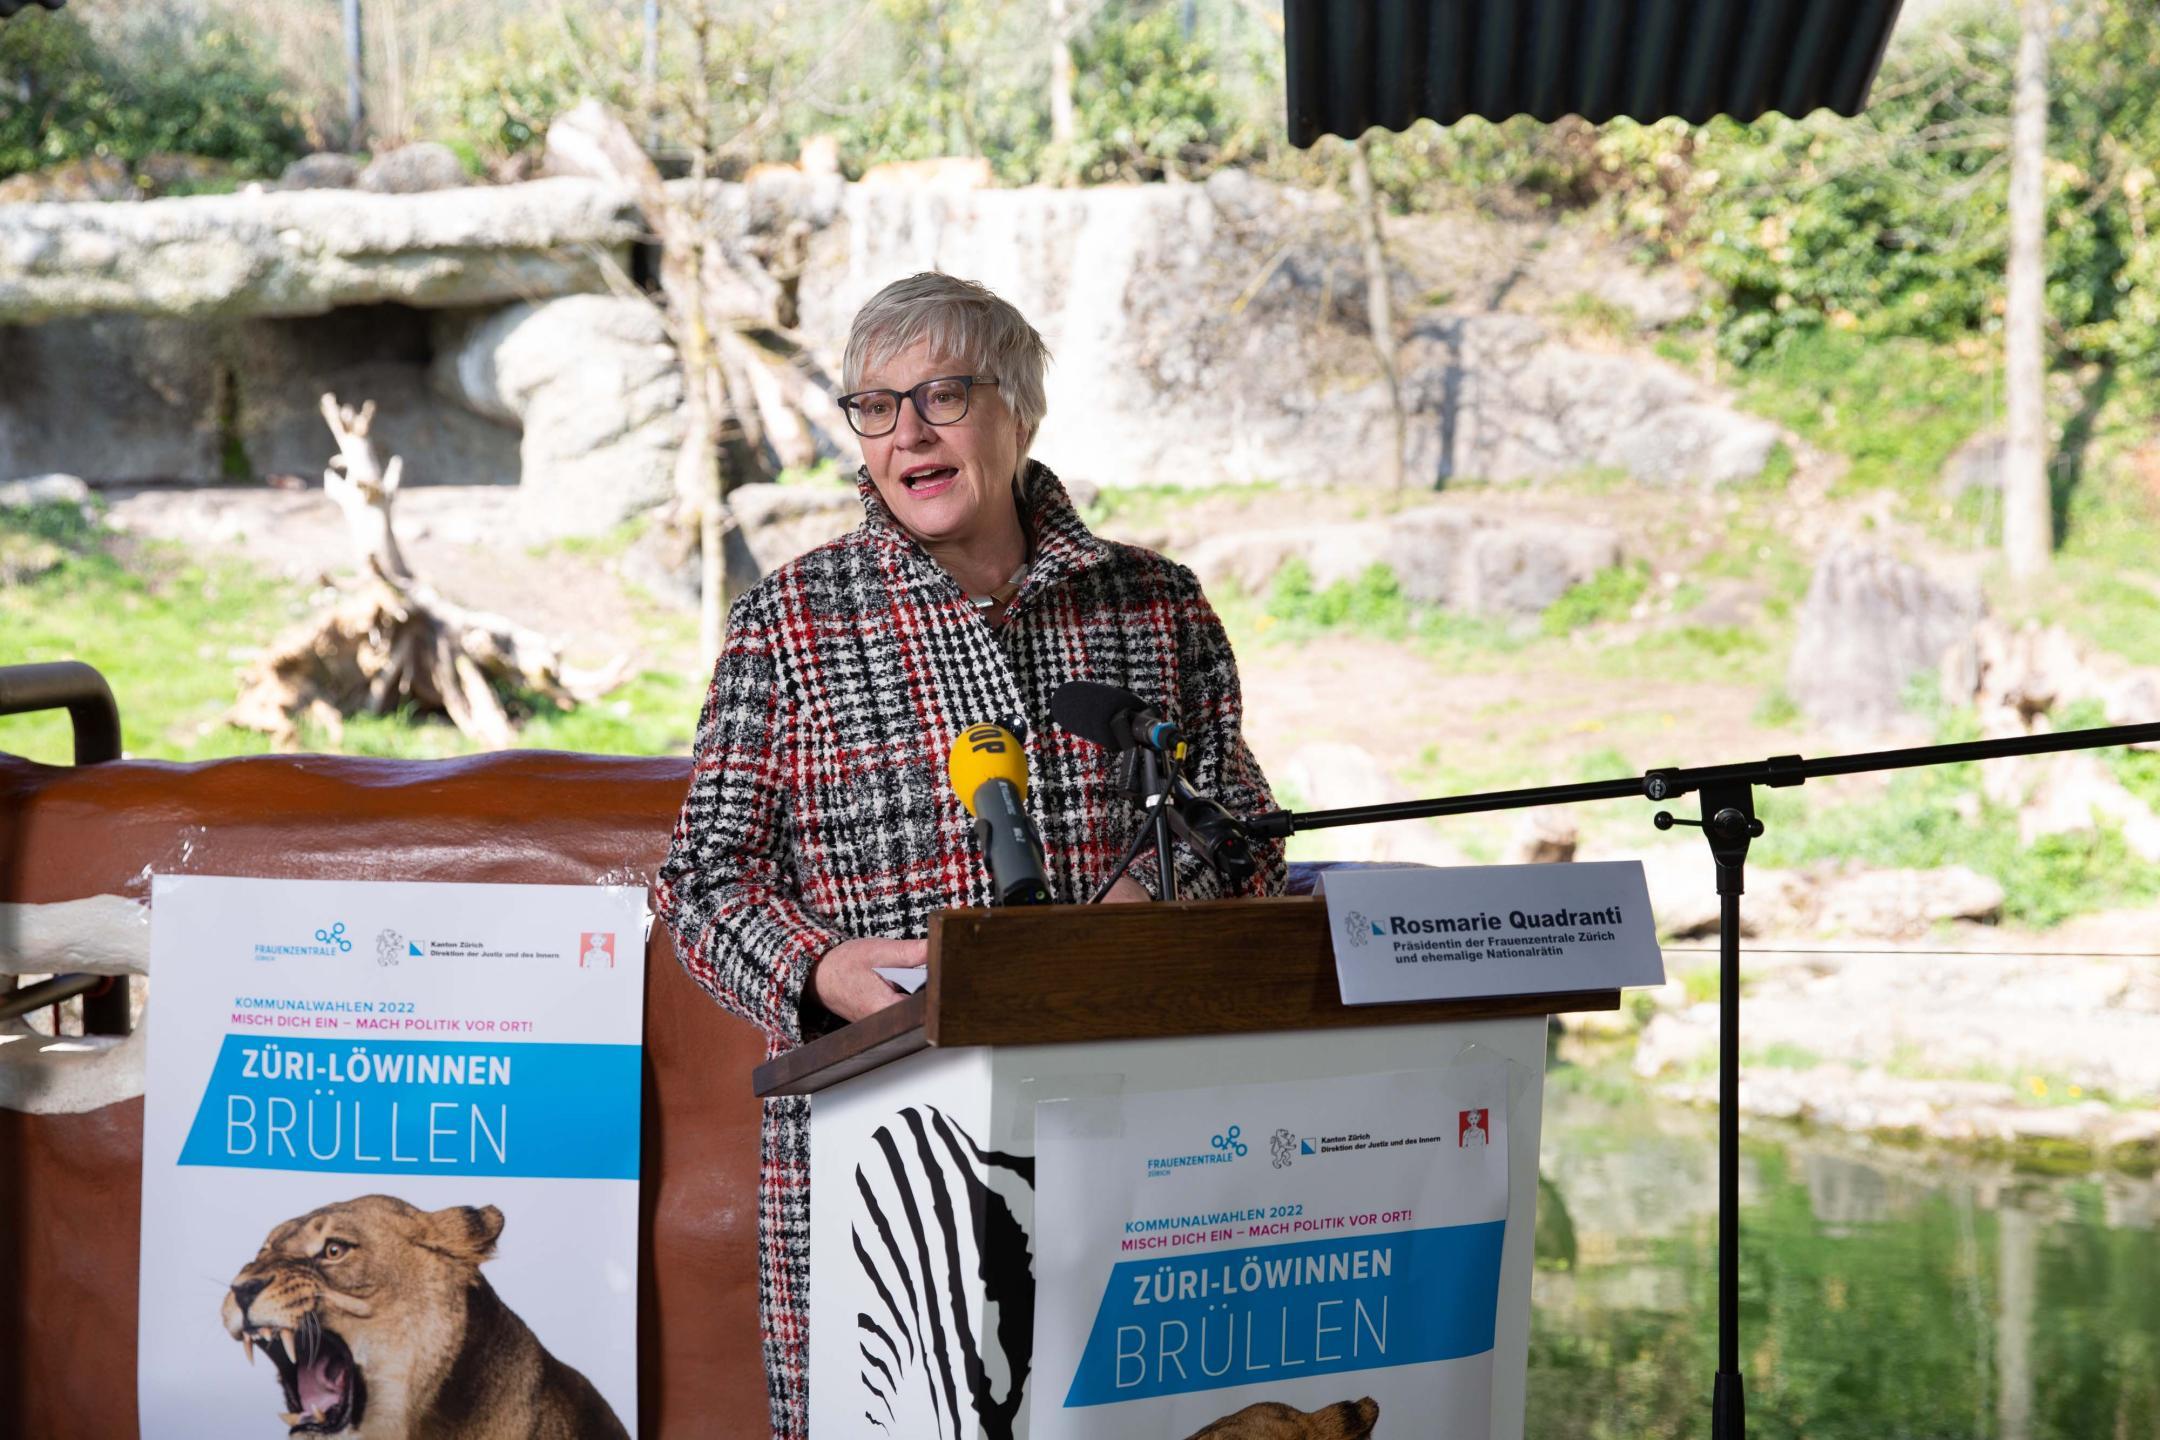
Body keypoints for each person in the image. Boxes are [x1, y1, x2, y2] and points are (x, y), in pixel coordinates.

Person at [654, 271, 1284, 1437]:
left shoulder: (1155, 605)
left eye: (944, 394)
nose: (910, 434)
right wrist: (824, 971)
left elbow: (1242, 826)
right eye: (877, 406)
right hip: (886, 1162)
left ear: (1020, 411)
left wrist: (1157, 886)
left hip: (1138, 1141)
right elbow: (700, 883)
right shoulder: (793, 621)